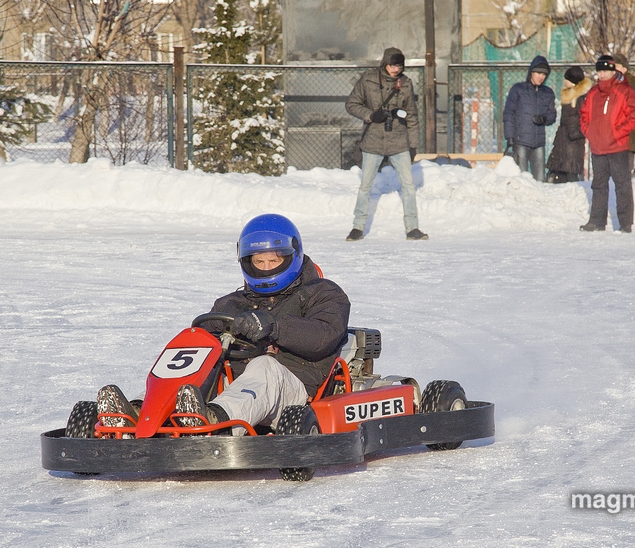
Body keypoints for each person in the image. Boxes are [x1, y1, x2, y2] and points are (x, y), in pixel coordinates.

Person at [97, 213, 351, 434]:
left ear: (292, 255)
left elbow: (325, 335)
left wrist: (274, 326)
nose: (265, 268)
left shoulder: (323, 293)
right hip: (236, 384)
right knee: (197, 359)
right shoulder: (231, 302)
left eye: (273, 261)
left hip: (293, 388)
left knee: (265, 365)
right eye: (258, 262)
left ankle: (215, 419)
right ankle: (139, 413)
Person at [345, 47, 427, 241]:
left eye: (399, 65)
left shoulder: (405, 84)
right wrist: (371, 115)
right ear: (384, 64)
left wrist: (413, 145)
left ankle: (412, 228)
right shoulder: (368, 79)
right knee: (365, 186)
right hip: (372, 141)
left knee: (408, 185)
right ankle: (357, 227)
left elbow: (412, 116)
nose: (395, 69)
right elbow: (351, 104)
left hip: (399, 141)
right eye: (392, 65)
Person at [578, 55, 635, 233]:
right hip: (598, 147)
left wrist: (617, 133)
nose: (602, 75)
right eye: (600, 71)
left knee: (622, 185)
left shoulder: (625, 91)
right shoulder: (592, 93)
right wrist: (590, 133)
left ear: (613, 71)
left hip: (618, 147)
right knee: (598, 185)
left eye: (606, 71)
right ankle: (597, 221)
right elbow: (583, 115)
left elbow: (634, 116)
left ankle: (625, 223)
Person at [502, 55, 557, 182]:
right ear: (531, 72)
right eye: (538, 73)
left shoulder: (548, 93)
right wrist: (510, 138)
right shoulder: (518, 90)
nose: (541, 77)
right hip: (520, 141)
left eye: (544, 74)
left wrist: (544, 119)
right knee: (520, 179)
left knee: (539, 180)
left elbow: (552, 115)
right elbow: (509, 113)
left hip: (539, 143)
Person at [545, 66, 591, 183]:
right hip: (563, 139)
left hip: (573, 141)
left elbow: (585, 120)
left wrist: (575, 133)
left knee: (571, 173)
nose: (564, 81)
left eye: (567, 79)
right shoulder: (568, 96)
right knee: (557, 171)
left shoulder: (582, 98)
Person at [611, 53, 635, 173]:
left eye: (616, 66)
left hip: (627, 135)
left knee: (623, 173)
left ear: (624, 68)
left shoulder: (632, 82)